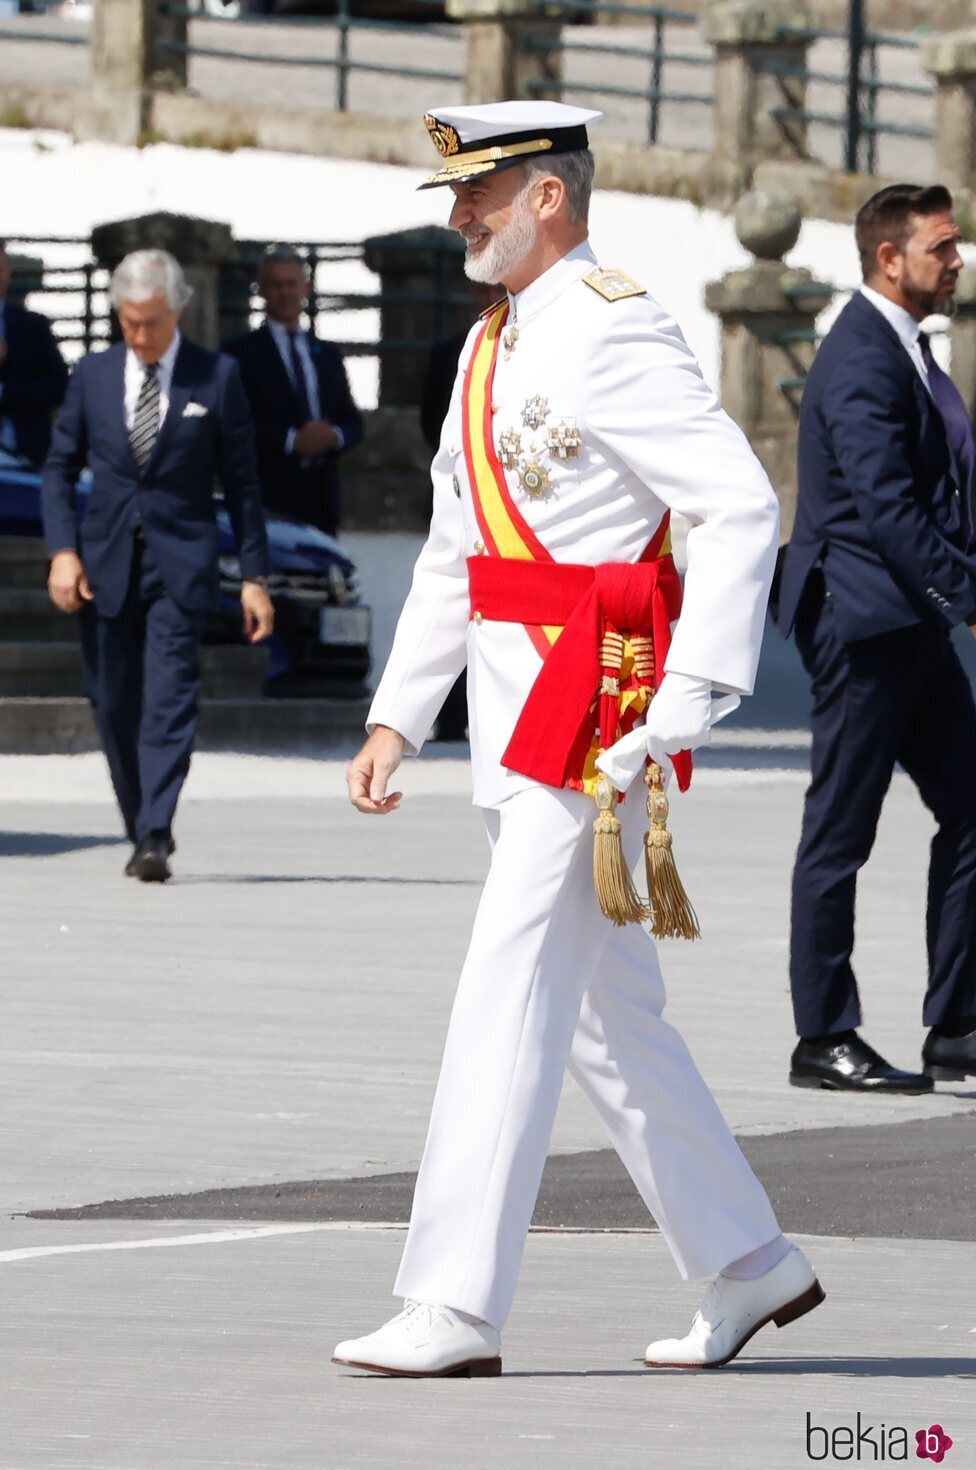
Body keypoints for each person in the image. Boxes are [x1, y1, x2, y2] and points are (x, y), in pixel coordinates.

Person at [335, 101, 824, 1378]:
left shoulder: (614, 328)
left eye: (477, 198)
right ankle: (747, 1263)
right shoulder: (491, 341)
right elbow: (461, 547)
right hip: (512, 714)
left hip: (596, 714)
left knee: (505, 989)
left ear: (546, 196)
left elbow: (733, 504)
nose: (457, 221)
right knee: (609, 1022)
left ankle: (452, 1303)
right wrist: (401, 709)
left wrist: (684, 704)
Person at [777, 184, 976, 1093]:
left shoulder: (904, 348)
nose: (958, 261)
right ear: (888, 258)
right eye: (942, 247)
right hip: (863, 623)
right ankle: (824, 1035)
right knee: (840, 833)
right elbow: (886, 509)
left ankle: (958, 1022)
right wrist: (967, 598)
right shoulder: (861, 355)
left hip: (911, 623)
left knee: (975, 808)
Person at [42, 249, 274, 884]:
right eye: (128, 323)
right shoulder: (91, 375)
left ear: (176, 312)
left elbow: (244, 484)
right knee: (113, 701)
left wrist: (254, 577)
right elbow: (59, 471)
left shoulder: (216, 377)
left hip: (181, 564)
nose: (139, 336)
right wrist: (62, 551)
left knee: (169, 700)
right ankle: (137, 818)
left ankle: (155, 833)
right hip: (104, 562)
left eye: (150, 322)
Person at [223, 246, 363, 538]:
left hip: (322, 504)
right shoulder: (239, 353)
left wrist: (332, 436)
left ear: (306, 288)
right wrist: (291, 440)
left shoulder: (327, 355)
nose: (285, 293)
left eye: (291, 284)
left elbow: (353, 423)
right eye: (276, 285)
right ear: (260, 290)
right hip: (268, 500)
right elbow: (232, 425)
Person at [419, 279, 499, 741]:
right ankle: (449, 717)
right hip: (462, 494)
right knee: (452, 600)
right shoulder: (451, 351)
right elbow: (433, 420)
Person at [0, 239, 69, 468]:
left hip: (27, 457)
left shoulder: (33, 326)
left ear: (8, 273)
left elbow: (60, 385)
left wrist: (6, 393)